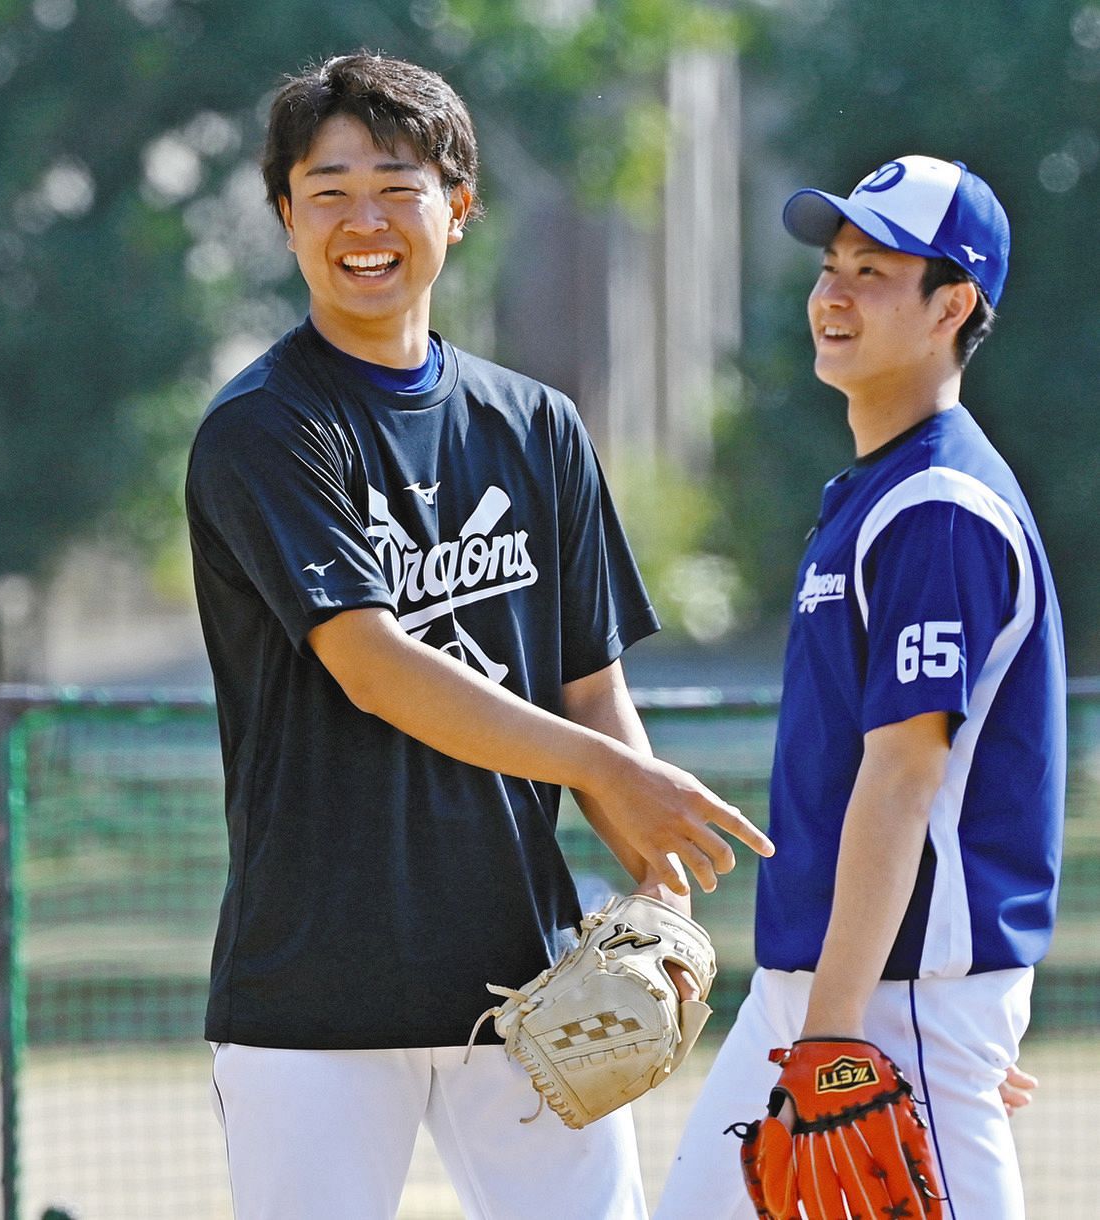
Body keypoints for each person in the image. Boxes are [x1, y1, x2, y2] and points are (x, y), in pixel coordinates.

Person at [185, 51, 773, 1220]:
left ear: (457, 206)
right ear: (286, 218)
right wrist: (617, 774)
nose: (364, 219)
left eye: (396, 184)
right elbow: (372, 664)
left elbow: (589, 685)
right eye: (328, 189)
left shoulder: (535, 424)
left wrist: (655, 881)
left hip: (527, 977)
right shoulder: (265, 427)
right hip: (314, 984)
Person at [657, 155, 1065, 1219]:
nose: (830, 292)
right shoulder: (875, 490)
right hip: (826, 987)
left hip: (891, 996)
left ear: (952, 305)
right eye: (829, 264)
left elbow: (901, 778)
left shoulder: (937, 501)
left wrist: (840, 1040)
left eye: (872, 269)